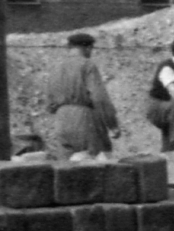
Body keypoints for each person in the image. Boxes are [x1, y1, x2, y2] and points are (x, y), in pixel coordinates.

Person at [42, 30, 121, 158]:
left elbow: (49, 105)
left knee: (66, 165)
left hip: (61, 121)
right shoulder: (87, 65)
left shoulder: (56, 67)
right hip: (83, 118)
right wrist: (112, 124)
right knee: (92, 161)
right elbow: (99, 98)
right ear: (88, 48)